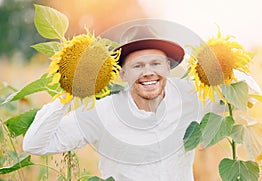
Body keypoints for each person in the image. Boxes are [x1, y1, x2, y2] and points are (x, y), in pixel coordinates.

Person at [23, 21, 227, 181]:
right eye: (137, 66)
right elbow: (35, 144)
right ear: (122, 74)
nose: (148, 73)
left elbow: (238, 93)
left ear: (167, 67)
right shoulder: (101, 112)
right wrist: (70, 92)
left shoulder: (190, 97)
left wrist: (224, 64)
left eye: (155, 63)